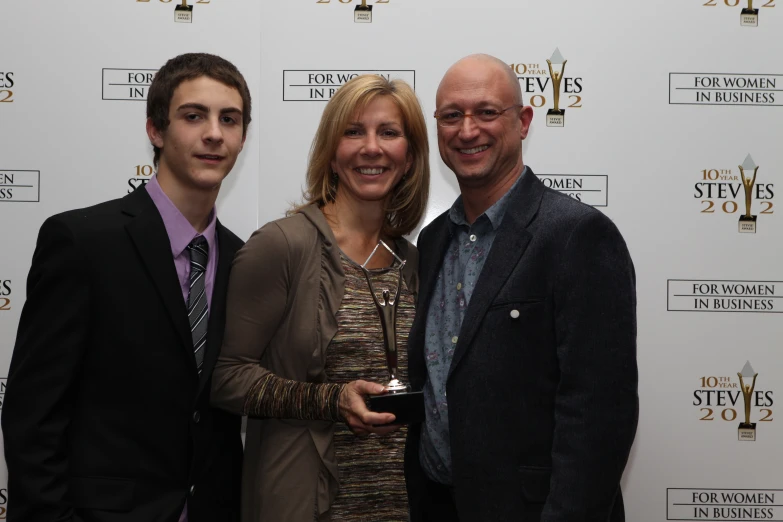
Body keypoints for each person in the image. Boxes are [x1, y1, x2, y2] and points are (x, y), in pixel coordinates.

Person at [1, 53, 251, 522]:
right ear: (156, 130)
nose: (214, 133)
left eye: (229, 119)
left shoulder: (245, 261)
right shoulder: (82, 242)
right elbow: (32, 416)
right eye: (193, 116)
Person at [404, 54, 638, 521]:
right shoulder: (432, 241)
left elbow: (598, 415)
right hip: (438, 504)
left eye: (487, 112)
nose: (467, 130)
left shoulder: (577, 235)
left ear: (524, 121)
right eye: (451, 116)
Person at [211, 74, 429, 522]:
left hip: (405, 507)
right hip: (307, 505)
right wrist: (329, 400)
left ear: (409, 158)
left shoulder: (417, 262)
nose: (372, 147)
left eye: (389, 132)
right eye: (353, 131)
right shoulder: (281, 246)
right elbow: (226, 378)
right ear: (331, 153)